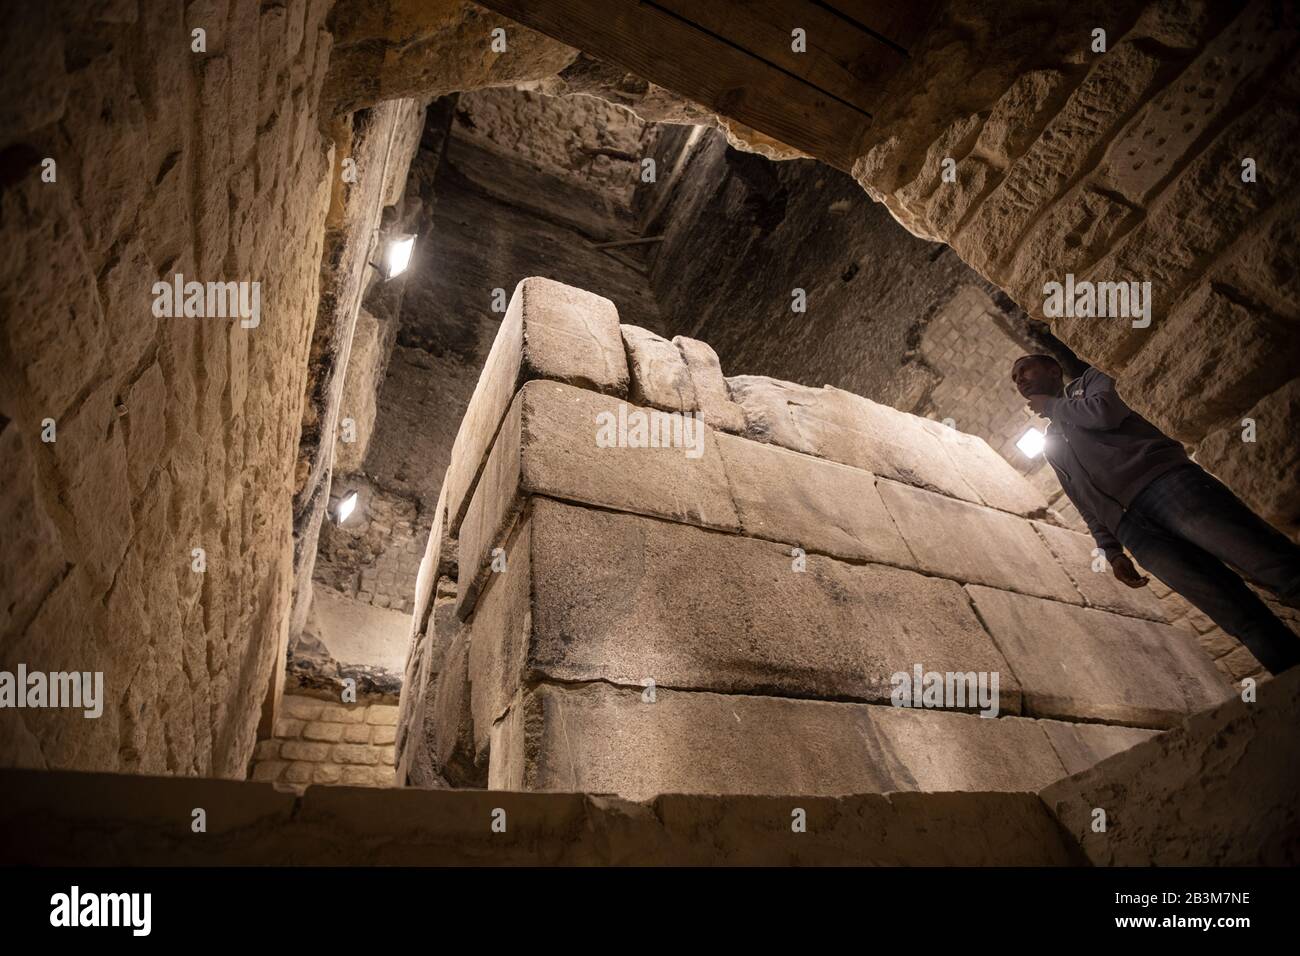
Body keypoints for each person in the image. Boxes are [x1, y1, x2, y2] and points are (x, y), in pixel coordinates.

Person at [1011, 354, 1299, 674]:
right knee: (1236, 616)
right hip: (1136, 533)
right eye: (1014, 378)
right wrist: (1111, 549)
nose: (1019, 379)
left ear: (1053, 370)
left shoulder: (1092, 382)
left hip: (1166, 487)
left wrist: (1051, 406)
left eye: (1024, 370)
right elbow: (1083, 499)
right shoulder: (1050, 441)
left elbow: (1105, 413)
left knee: (1270, 564)